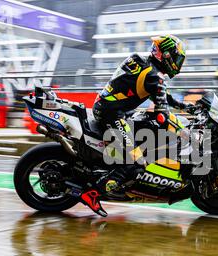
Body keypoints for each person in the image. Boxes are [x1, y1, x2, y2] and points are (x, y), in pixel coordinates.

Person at [80, 35, 196, 216]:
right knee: (138, 162)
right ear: (166, 55)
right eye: (177, 58)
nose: (178, 63)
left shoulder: (142, 63)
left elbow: (160, 94)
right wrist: (181, 131)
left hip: (108, 108)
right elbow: (162, 111)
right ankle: (93, 193)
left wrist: (183, 106)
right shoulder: (154, 76)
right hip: (112, 114)